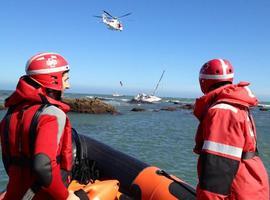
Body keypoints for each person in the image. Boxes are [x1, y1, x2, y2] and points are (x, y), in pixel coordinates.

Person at [0, 52, 88, 200]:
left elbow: (7, 159)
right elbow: (43, 166)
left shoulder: (11, 114)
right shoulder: (51, 115)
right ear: (53, 80)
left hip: (16, 192)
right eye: (65, 79)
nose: (68, 85)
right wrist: (65, 196)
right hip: (43, 195)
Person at [193, 58, 269, 199]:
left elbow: (217, 171)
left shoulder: (222, 111)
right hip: (252, 183)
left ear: (203, 81)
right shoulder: (237, 105)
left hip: (238, 190)